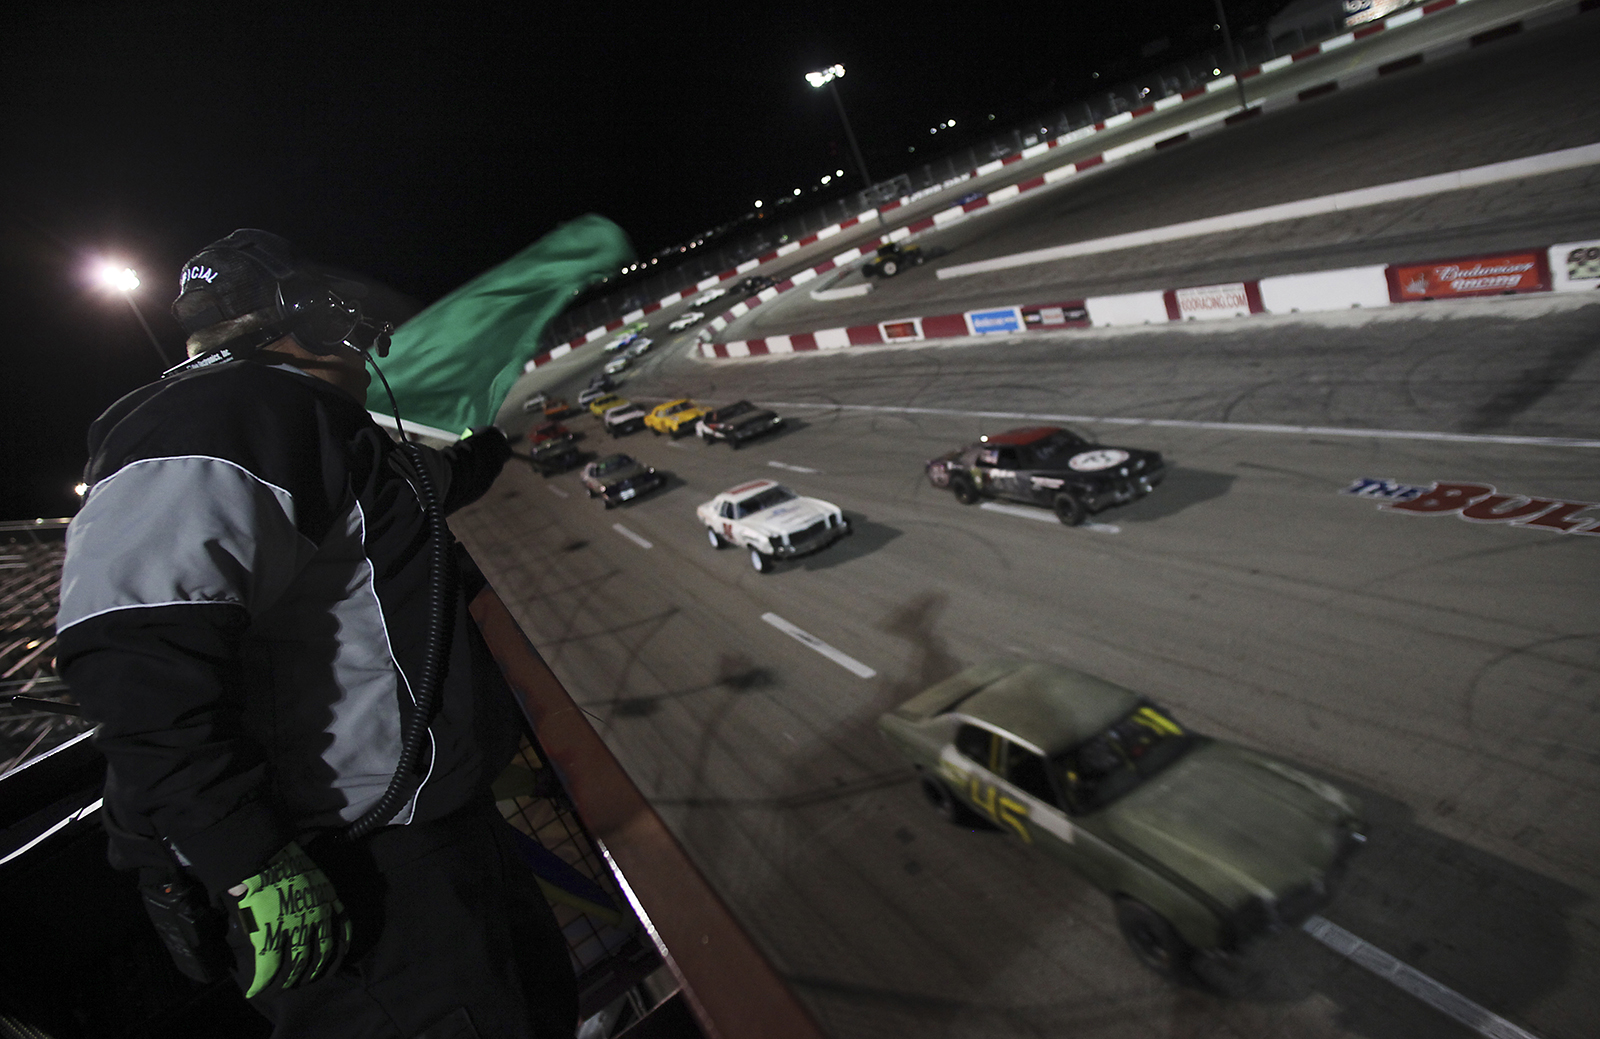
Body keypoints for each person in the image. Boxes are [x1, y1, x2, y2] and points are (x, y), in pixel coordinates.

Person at [55, 229, 578, 1038]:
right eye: (350, 324)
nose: (369, 350)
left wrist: (493, 444)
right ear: (313, 323)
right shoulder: (218, 417)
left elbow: (418, 487)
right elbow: (132, 656)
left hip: (432, 847)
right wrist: (251, 858)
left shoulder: (315, 429)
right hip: (349, 881)